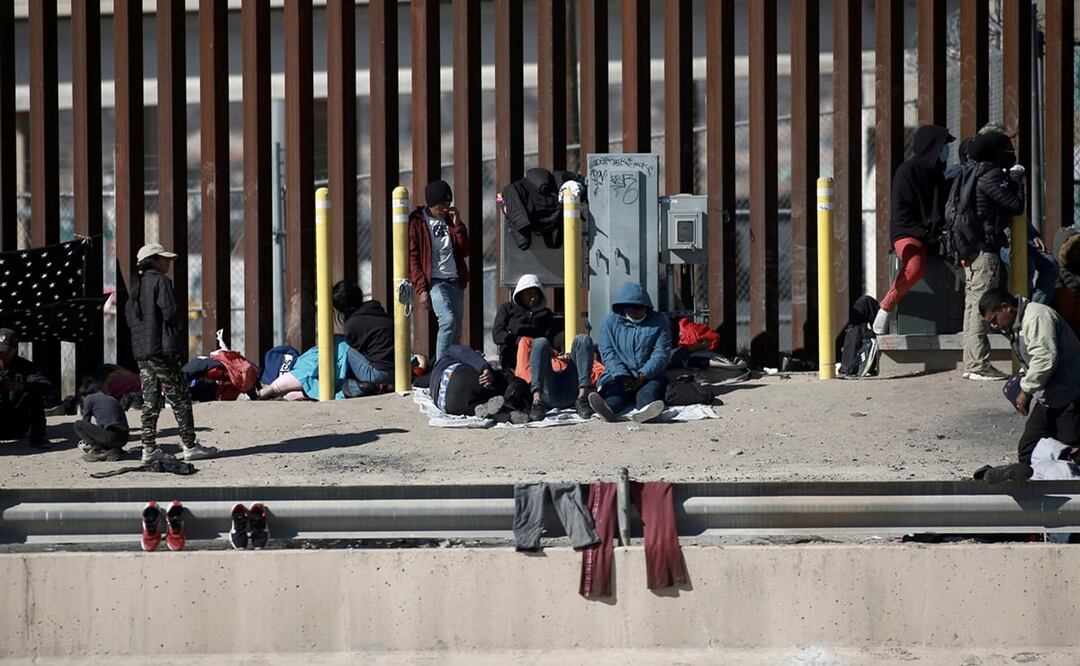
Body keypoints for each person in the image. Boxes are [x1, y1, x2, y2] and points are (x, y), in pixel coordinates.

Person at [126, 243, 218, 462]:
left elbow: (131, 318)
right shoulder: (161, 282)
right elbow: (170, 313)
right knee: (180, 396)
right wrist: (176, 331)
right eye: (164, 259)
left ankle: (148, 449)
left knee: (150, 399)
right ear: (153, 261)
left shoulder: (136, 286)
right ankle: (190, 445)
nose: (168, 263)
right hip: (162, 350)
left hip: (142, 351)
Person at [980, 288, 1080, 464]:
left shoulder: (1036, 317)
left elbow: (1044, 359)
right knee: (1028, 450)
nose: (994, 326)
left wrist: (1025, 391)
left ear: (1006, 307)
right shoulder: (1017, 324)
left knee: (1072, 454)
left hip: (1070, 395)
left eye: (994, 320)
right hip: (1049, 398)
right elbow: (1031, 359)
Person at [872, 125, 955, 335]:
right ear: (932, 147)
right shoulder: (907, 172)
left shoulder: (938, 175)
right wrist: (926, 234)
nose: (946, 151)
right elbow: (902, 217)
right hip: (907, 232)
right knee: (915, 266)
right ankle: (886, 307)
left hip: (932, 235)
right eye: (943, 146)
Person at [959, 131, 1025, 381]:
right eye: (1007, 149)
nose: (1010, 153)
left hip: (971, 250)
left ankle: (971, 362)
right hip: (985, 251)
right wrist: (1017, 180)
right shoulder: (990, 175)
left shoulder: (970, 172)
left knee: (971, 306)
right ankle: (978, 365)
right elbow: (1015, 206)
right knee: (980, 308)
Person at [588, 283, 671, 423]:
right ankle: (607, 409)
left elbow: (661, 353)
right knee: (615, 394)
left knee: (648, 393)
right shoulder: (609, 322)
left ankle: (647, 412)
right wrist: (623, 377)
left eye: (641, 309)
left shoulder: (659, 321)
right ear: (623, 308)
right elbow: (608, 353)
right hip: (616, 375)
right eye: (632, 310)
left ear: (647, 307)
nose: (637, 313)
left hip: (650, 375)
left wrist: (643, 376)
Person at [409, 180, 470, 361]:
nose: (445, 209)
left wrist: (458, 226)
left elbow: (465, 250)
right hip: (435, 281)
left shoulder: (450, 220)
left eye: (448, 205)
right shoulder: (418, 222)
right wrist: (422, 289)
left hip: (455, 280)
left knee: (456, 328)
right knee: (447, 321)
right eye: (441, 205)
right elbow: (413, 258)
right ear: (431, 203)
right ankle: (440, 367)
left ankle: (453, 366)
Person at [424, 344, 530, 420]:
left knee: (488, 403)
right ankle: (510, 405)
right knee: (508, 380)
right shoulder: (448, 352)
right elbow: (464, 353)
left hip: (450, 406)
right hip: (459, 379)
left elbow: (418, 381)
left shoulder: (434, 375)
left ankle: (501, 413)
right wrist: (484, 367)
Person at [334, 279, 394, 396]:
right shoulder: (377, 310)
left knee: (344, 347)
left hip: (376, 374)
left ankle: (360, 386)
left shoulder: (352, 326)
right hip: (398, 372)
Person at [492, 274, 556, 371]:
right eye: (529, 294)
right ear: (520, 294)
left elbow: (550, 338)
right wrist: (518, 340)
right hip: (512, 360)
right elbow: (497, 334)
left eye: (536, 294)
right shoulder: (507, 308)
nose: (533, 298)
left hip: (537, 358)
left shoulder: (546, 314)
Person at [0, 328, 52, 449]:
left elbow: (46, 386)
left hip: (17, 425)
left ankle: (38, 438)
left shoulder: (24, 367)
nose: (2, 356)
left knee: (35, 390)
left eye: (5, 352)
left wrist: (23, 386)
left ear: (14, 349)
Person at [74, 376, 130, 462]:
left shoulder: (89, 398)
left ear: (83, 396)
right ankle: (114, 450)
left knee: (78, 425)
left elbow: (85, 422)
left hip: (111, 437)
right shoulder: (111, 398)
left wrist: (87, 442)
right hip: (124, 439)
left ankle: (99, 451)